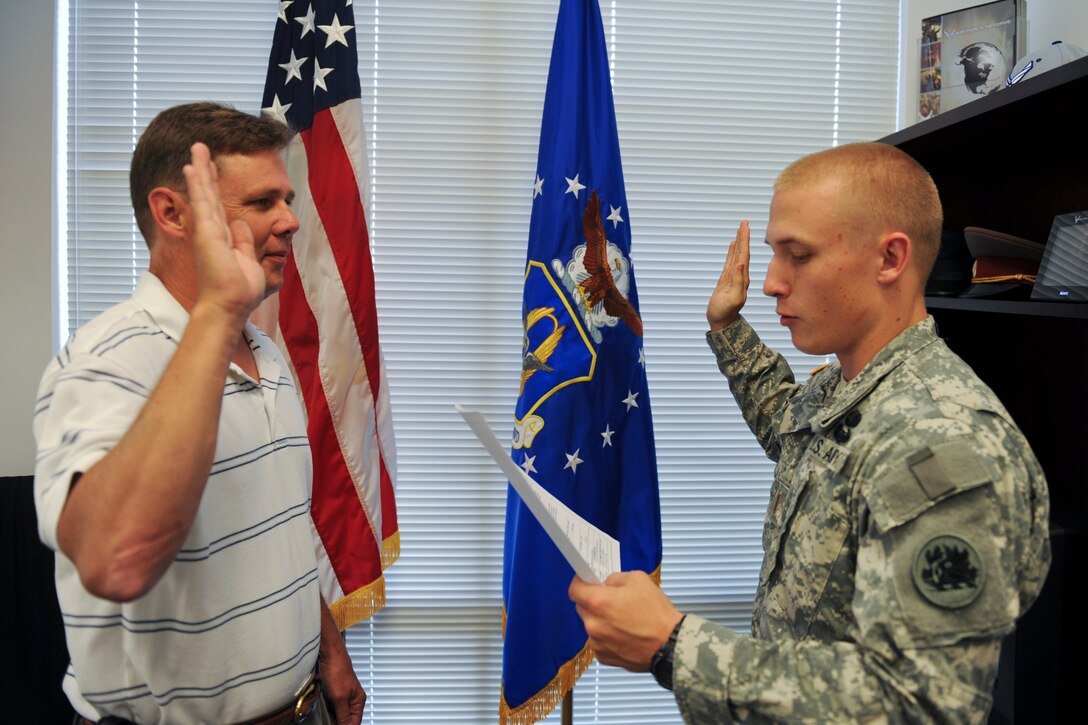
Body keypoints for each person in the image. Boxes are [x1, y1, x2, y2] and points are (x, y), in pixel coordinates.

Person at [568, 142, 1051, 723]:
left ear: (890, 259)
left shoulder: (942, 442)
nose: (770, 283)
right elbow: (791, 428)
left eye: (797, 255)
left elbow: (921, 703)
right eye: (774, 255)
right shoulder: (852, 383)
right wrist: (726, 327)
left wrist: (673, 645)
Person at [32, 102, 365, 724]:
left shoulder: (263, 350)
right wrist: (216, 312)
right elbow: (115, 562)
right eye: (263, 202)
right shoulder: (105, 361)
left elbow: (280, 528)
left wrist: (329, 651)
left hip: (303, 708)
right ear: (172, 213)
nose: (292, 221)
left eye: (287, 199)